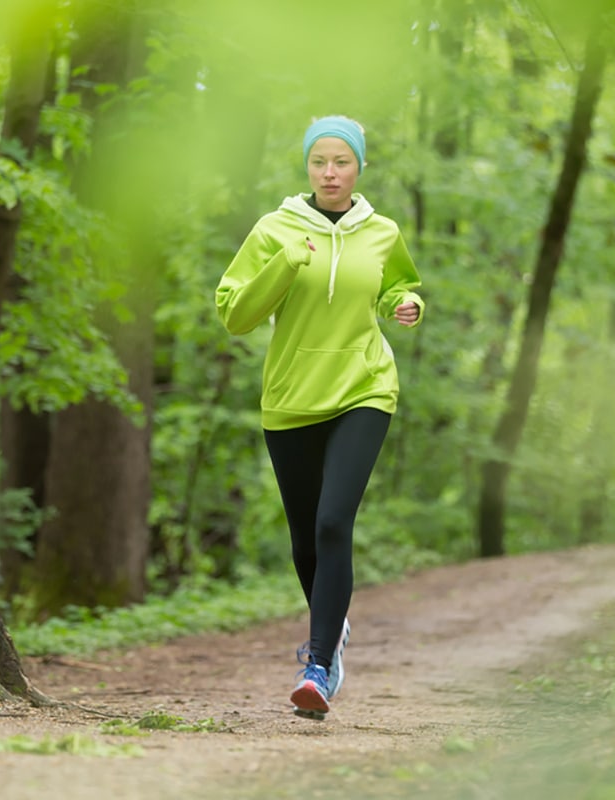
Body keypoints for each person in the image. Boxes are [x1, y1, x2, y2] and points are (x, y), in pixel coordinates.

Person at [215, 115, 424, 719]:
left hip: (364, 388)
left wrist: (405, 303)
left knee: (334, 522)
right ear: (307, 166)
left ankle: (318, 664)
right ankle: (334, 627)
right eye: (319, 162)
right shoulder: (273, 229)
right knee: (305, 539)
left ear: (359, 167)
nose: (330, 173)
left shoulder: (381, 231)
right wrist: (284, 265)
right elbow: (235, 314)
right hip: (291, 397)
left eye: (342, 162)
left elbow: (396, 286)